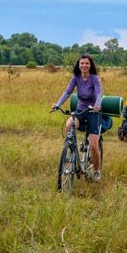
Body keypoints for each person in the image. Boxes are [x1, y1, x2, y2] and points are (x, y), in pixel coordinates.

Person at [51, 54, 104, 182]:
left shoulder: (95, 78)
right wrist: (58, 105)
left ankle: (96, 171)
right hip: (80, 110)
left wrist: (97, 105)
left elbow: (99, 93)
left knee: (93, 146)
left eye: (87, 63)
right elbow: (67, 92)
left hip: (93, 113)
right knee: (69, 124)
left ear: (90, 65)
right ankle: (70, 150)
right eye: (82, 63)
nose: (84, 65)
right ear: (78, 65)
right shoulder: (76, 77)